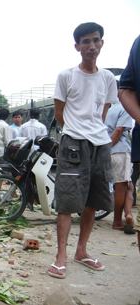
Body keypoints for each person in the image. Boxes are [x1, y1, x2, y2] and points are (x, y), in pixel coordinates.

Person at [48, 22, 117, 279]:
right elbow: (59, 113)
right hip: (73, 144)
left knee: (93, 201)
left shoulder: (108, 78)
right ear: (77, 46)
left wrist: (94, 134)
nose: (91, 46)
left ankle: (81, 251)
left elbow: (103, 113)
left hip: (101, 145)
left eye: (95, 40)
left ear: (102, 43)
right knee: (66, 201)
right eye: (85, 41)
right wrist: (77, 132)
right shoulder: (66, 76)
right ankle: (60, 256)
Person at [118, 34, 140, 252]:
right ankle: (125, 216)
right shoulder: (138, 44)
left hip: (120, 152)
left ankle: (125, 216)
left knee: (126, 185)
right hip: (122, 152)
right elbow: (126, 89)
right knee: (126, 186)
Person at [105, 96, 135, 234]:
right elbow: (118, 131)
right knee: (122, 187)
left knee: (127, 186)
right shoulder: (125, 108)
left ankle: (127, 214)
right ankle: (118, 220)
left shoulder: (108, 109)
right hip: (120, 151)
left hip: (108, 152)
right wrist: (110, 147)